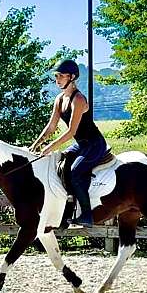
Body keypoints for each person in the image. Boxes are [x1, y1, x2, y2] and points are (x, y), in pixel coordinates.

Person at [29, 59, 107, 227]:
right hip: (81, 144)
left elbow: (71, 131)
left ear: (72, 77)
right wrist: (35, 145)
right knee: (62, 166)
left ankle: (87, 215)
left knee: (76, 171)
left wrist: (49, 148)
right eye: (56, 76)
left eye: (61, 76)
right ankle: (66, 214)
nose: (57, 79)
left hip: (94, 144)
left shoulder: (78, 99)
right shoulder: (59, 99)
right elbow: (51, 127)